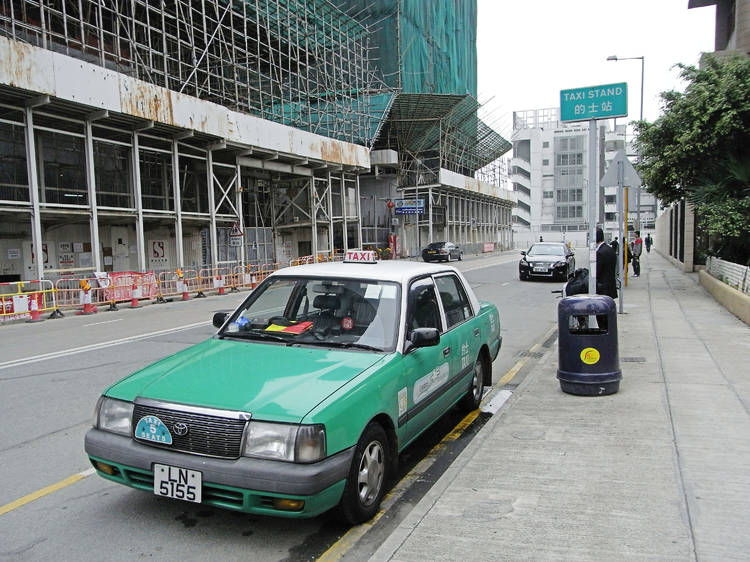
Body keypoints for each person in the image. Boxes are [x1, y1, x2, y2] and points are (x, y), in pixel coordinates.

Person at [595, 228, 617, 330]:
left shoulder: (600, 252)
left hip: (602, 289)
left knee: (602, 318)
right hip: (610, 287)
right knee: (607, 317)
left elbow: (597, 272)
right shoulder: (609, 249)